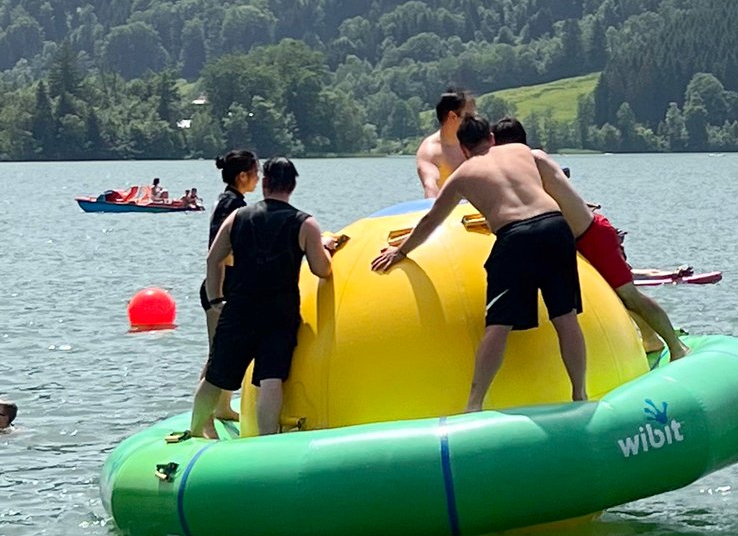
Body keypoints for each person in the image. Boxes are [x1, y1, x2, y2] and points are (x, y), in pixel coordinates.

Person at [374, 114, 594, 410]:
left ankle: (474, 403)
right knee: (565, 317)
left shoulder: (462, 175)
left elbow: (431, 220)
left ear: (463, 149)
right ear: (491, 137)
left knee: (499, 325)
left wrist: (400, 250)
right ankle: (580, 394)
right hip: (554, 227)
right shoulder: (523, 152)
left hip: (514, 237)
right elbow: (560, 186)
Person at [490, 117, 690, 360]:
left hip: (592, 236)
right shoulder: (533, 161)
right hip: (578, 239)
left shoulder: (532, 159)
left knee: (629, 294)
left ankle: (677, 347)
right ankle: (650, 339)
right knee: (616, 294)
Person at [193, 158, 340, 438]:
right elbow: (322, 269)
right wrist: (325, 249)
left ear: (265, 184)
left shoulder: (238, 216)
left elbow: (214, 259)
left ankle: (195, 431)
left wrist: (215, 301)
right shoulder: (305, 223)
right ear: (292, 186)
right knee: (271, 379)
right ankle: (266, 441)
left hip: (240, 307)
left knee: (216, 374)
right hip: (279, 312)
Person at [199, 149, 260, 424]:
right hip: (220, 289)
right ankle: (205, 419)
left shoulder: (230, 200)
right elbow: (220, 251)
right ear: (243, 175)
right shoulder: (232, 206)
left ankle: (222, 407)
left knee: (227, 353)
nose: (258, 179)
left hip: (229, 287)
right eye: (255, 173)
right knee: (217, 357)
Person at [415, 87, 476, 198]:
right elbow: (430, 186)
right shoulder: (430, 151)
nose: (474, 122)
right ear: (452, 116)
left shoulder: (479, 142)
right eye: (469, 117)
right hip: (446, 210)